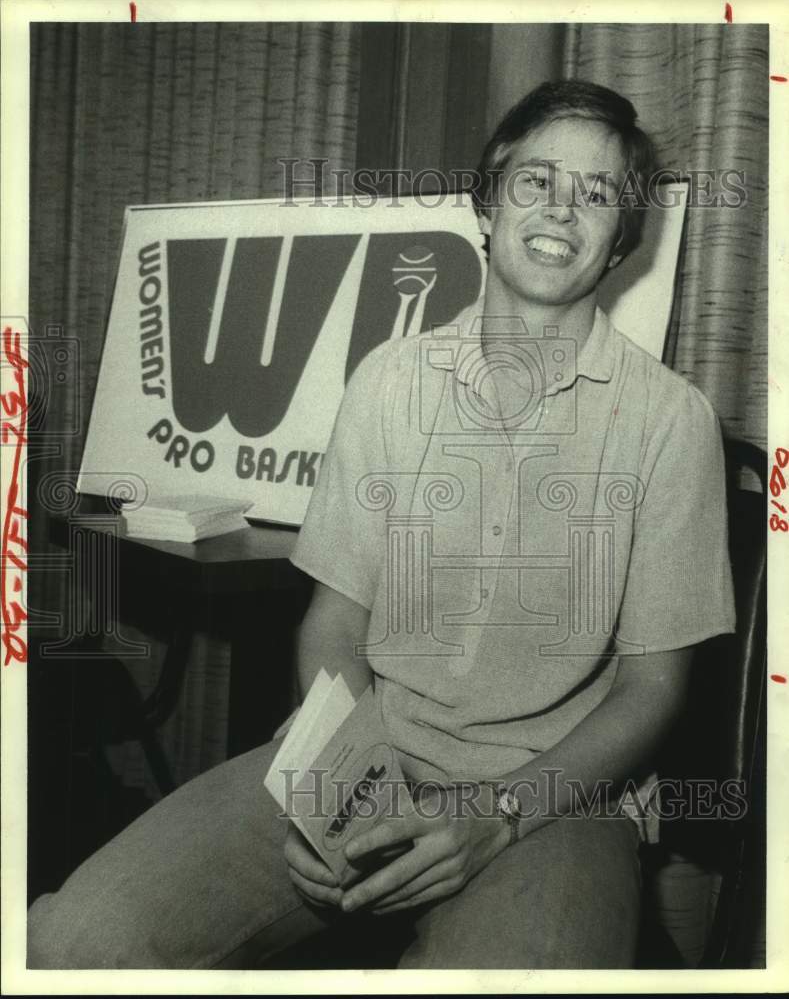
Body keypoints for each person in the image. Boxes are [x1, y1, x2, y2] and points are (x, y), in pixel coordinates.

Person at [27, 79, 735, 970]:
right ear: (487, 201)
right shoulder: (387, 381)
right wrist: (342, 775)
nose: (561, 208)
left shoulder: (672, 421)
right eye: (537, 180)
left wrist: (496, 814)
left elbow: (652, 690)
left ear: (622, 239)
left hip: (558, 794)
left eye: (596, 193)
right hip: (371, 749)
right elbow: (336, 621)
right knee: (72, 942)